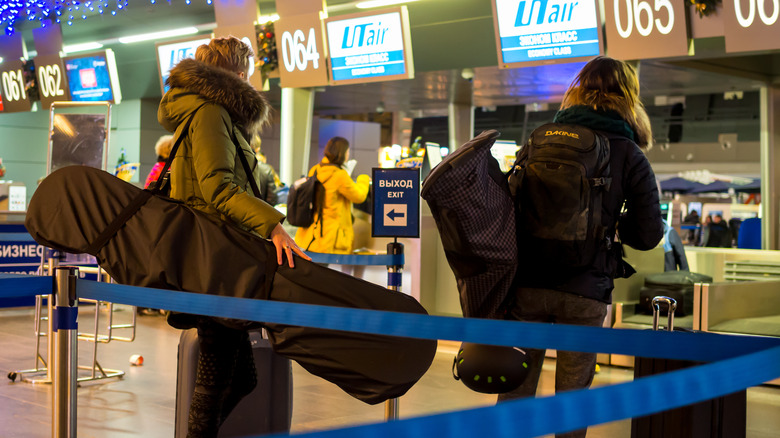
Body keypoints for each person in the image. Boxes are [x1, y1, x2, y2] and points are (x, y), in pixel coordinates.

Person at [498, 56, 664, 438]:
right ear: (629, 95)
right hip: (586, 289)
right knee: (572, 397)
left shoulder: (539, 139)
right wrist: (612, 222)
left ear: (578, 88)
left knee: (516, 388)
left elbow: (511, 205)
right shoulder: (629, 152)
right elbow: (647, 235)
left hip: (529, 285)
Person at [158, 36, 309, 438]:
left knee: (241, 379)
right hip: (214, 263)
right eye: (249, 72)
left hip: (215, 258)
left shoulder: (211, 111)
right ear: (236, 74)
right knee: (213, 387)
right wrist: (273, 225)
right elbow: (218, 188)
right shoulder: (210, 113)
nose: (252, 81)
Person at [294, 136, 370, 255]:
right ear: (342, 153)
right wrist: (363, 179)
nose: (348, 154)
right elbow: (359, 196)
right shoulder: (339, 175)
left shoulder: (316, 169)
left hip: (311, 233)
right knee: (324, 270)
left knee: (316, 269)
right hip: (330, 235)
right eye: (348, 151)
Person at [250, 134, 280, 206]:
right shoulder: (266, 169)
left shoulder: (234, 164)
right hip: (259, 212)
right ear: (258, 149)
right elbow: (272, 199)